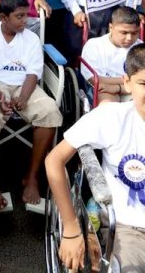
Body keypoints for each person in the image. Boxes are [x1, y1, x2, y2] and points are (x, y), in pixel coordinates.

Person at [45, 42, 145, 272]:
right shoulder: (112, 117)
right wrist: (71, 228)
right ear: (127, 84)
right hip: (129, 229)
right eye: (144, 84)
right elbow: (54, 160)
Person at [0, 0, 62, 209]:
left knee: (49, 111)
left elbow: (33, 73)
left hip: (25, 85)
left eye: (26, 15)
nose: (26, 21)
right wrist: (0, 96)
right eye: (20, 16)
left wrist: (23, 97)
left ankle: (31, 177)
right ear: (3, 18)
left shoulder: (31, 39)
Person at [81, 6, 141, 103]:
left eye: (134, 33)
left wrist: (118, 87)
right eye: (124, 33)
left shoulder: (140, 48)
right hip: (104, 91)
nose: (129, 38)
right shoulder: (94, 45)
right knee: (109, 108)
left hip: (131, 89)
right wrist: (129, 80)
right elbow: (93, 79)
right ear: (111, 28)